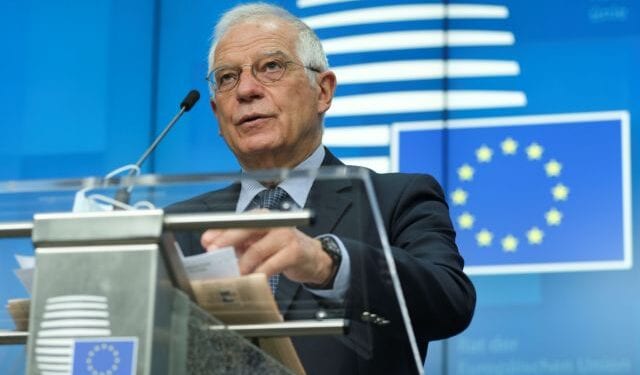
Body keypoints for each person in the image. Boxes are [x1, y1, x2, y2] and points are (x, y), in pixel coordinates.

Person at [169, 3, 476, 374]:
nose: (246, 90)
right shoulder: (175, 226)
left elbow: (450, 302)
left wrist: (324, 262)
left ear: (323, 92)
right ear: (218, 115)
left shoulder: (396, 199)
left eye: (271, 67)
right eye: (227, 77)